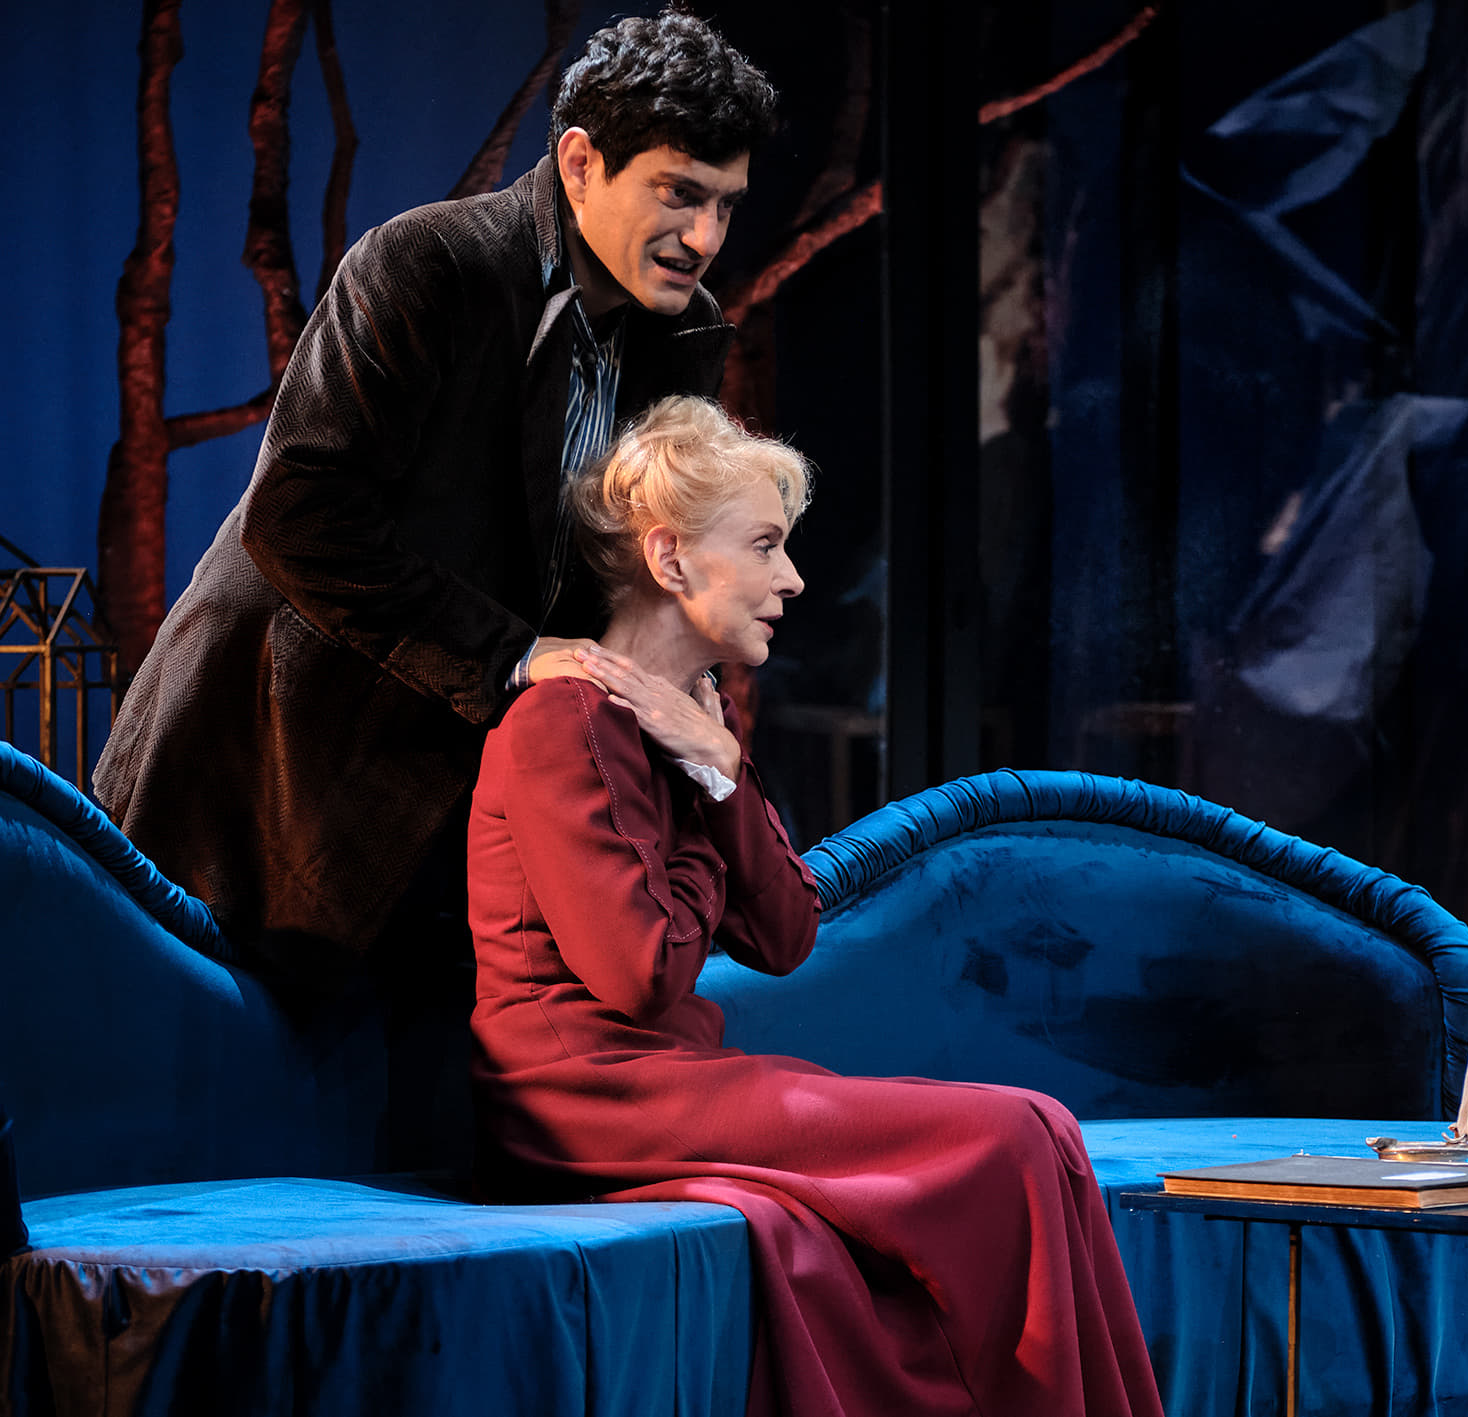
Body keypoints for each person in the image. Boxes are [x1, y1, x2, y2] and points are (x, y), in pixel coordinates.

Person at [468, 395, 1165, 1417]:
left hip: (669, 1079)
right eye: (764, 545)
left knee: (1043, 1132)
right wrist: (710, 787)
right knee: (1018, 1133)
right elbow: (639, 973)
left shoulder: (687, 723)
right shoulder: (562, 720)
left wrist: (718, 768)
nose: (792, 578)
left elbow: (787, 933)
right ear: (669, 559)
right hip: (584, 1096)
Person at [92, 10, 774, 1006]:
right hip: (275, 778)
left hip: (464, 807)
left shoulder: (682, 334)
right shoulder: (429, 264)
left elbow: (615, 562)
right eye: (679, 194)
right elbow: (300, 516)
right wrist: (515, 655)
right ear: (580, 163)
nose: (705, 237)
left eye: (725, 204)